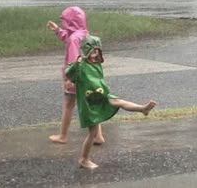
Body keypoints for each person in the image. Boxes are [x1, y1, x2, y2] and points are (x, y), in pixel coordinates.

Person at [65, 35, 157, 169]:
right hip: (89, 104)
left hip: (102, 97)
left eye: (97, 51)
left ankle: (142, 108)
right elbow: (69, 73)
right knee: (92, 133)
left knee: (118, 101)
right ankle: (84, 159)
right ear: (86, 51)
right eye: (92, 50)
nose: (95, 53)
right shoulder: (81, 65)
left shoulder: (96, 64)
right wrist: (77, 63)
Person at [47, 6, 105, 145]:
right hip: (88, 77)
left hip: (76, 78)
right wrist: (57, 31)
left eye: (65, 22)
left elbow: (74, 60)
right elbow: (69, 37)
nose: (63, 24)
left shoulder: (73, 39)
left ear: (71, 22)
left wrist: (70, 80)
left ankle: (63, 135)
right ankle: (98, 136)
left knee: (68, 104)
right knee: (91, 104)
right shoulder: (85, 34)